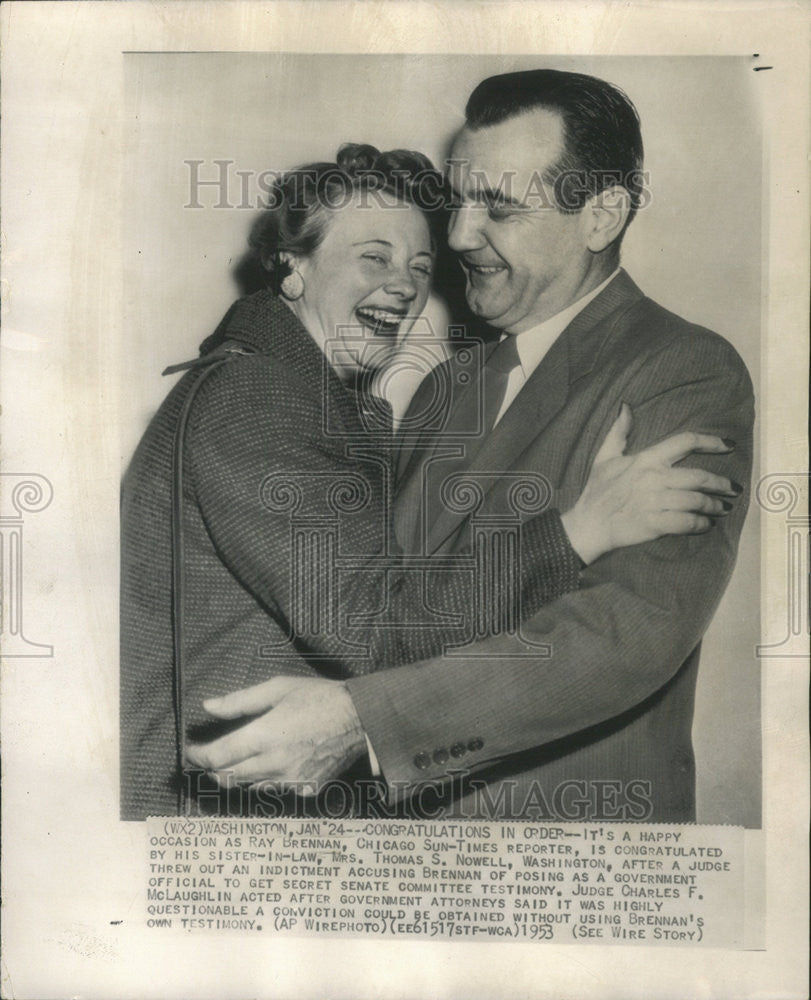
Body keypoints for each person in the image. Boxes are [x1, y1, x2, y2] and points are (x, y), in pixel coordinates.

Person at [190, 71, 754, 823]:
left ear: (601, 215)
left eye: (498, 207)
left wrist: (368, 720)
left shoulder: (683, 369)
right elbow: (390, 612)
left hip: (565, 859)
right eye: (458, 199)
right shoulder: (443, 387)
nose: (457, 234)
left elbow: (622, 635)